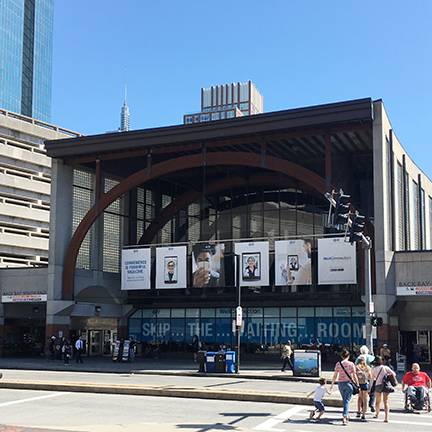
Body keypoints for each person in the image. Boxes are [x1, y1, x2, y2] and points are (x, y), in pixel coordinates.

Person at [329, 348, 359, 426]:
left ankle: (346, 414)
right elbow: (354, 375)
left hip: (340, 383)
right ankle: (345, 416)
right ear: (348, 356)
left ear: (342, 356)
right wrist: (357, 384)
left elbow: (335, 375)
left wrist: (332, 384)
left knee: (344, 399)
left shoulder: (338, 364)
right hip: (349, 383)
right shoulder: (351, 364)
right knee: (347, 400)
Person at [370, 356, 396, 422]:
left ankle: (377, 414)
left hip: (378, 385)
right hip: (386, 385)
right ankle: (386, 417)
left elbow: (371, 380)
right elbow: (393, 374)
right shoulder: (385, 367)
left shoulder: (373, 369)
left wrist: (370, 388)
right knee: (386, 402)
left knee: (378, 401)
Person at [355, 345, 376, 412]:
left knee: (362, 394)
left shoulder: (359, 358)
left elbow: (355, 366)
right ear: (368, 351)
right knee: (372, 391)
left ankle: (362, 407)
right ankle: (371, 403)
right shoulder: (372, 357)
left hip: (361, 378)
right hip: (371, 376)